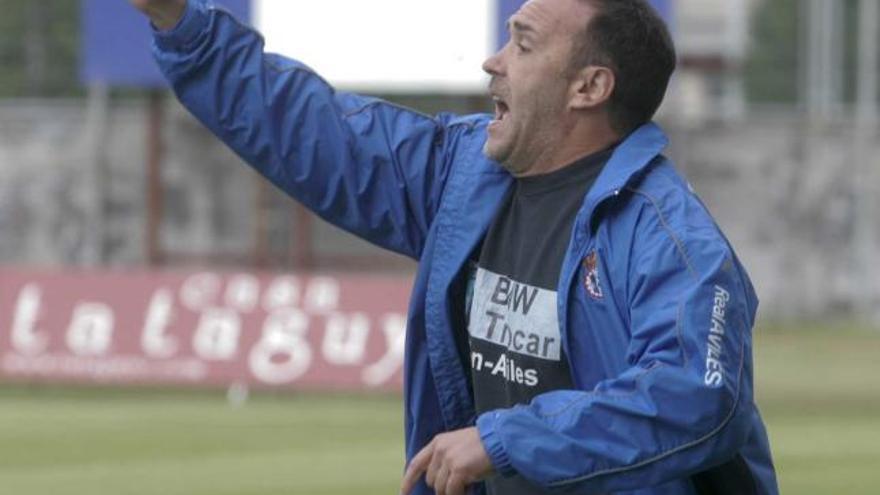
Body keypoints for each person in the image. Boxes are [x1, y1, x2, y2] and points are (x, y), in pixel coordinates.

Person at [129, 0, 779, 494]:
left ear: (590, 87)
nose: (494, 61)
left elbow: (697, 395)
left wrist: (504, 439)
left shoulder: (672, 238)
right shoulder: (461, 172)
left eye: (522, 45)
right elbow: (315, 131)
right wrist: (181, 20)